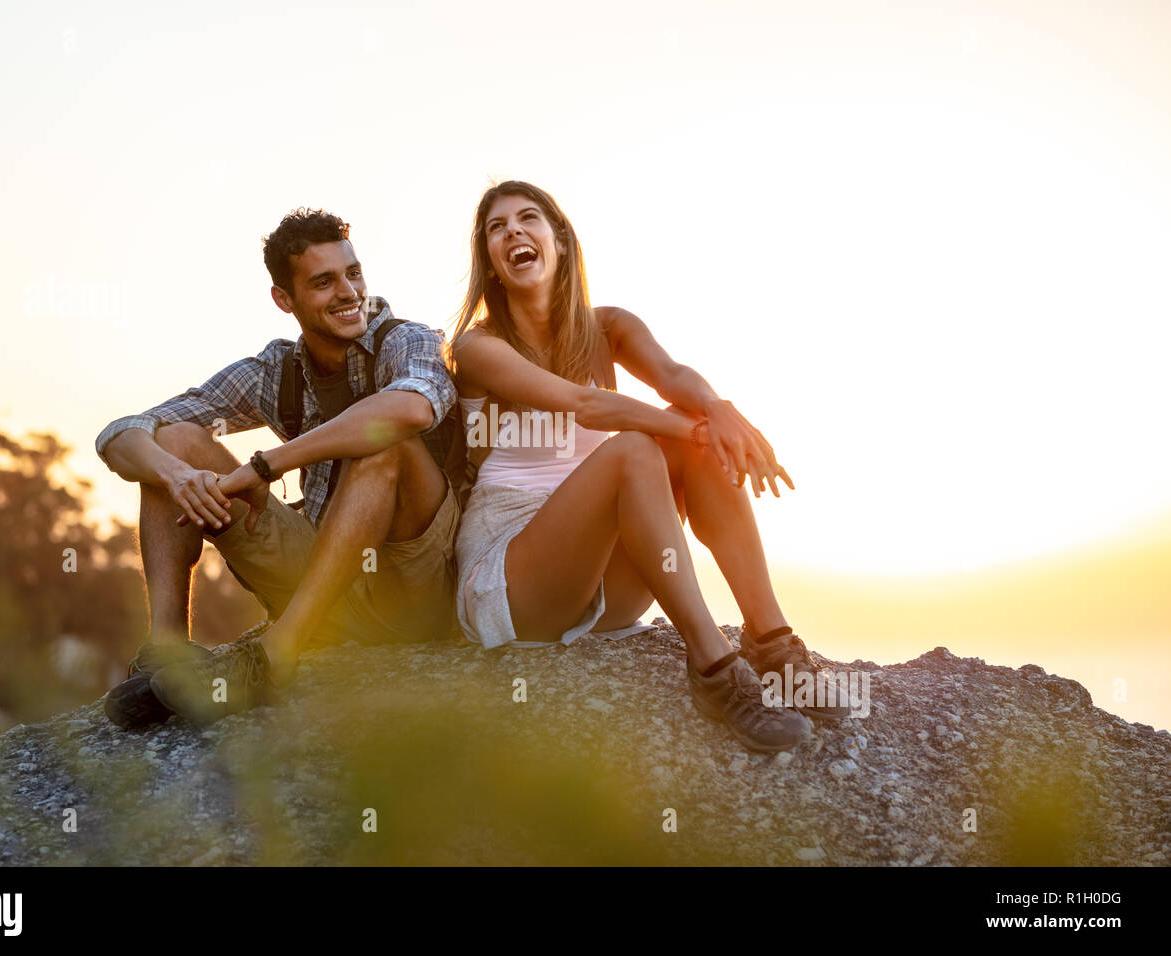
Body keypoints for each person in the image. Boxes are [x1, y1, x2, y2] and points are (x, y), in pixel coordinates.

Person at [446, 181, 851, 753]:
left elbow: (673, 374)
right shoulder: (479, 347)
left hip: (603, 579)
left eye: (528, 218)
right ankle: (715, 671)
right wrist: (700, 428)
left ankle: (771, 643)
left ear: (559, 240)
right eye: (497, 227)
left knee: (686, 436)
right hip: (514, 577)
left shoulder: (608, 327)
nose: (513, 230)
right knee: (642, 444)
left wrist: (715, 409)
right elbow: (588, 405)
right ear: (490, 263)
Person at [95, 208, 459, 728]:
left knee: (386, 444)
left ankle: (275, 657)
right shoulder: (279, 370)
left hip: (413, 589)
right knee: (173, 443)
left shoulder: (408, 341)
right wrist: (179, 476)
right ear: (283, 299)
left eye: (353, 273)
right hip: (322, 583)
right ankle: (166, 654)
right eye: (324, 281)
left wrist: (265, 466)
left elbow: (411, 409)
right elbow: (123, 433)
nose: (349, 292)